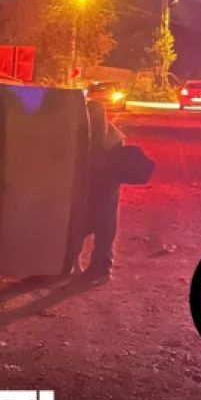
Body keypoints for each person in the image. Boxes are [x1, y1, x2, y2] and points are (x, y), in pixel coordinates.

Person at [79, 100, 153, 284]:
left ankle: (99, 267)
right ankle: (96, 266)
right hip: (101, 186)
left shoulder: (105, 135)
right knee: (100, 225)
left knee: (99, 225)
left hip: (104, 186)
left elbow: (98, 162)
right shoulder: (109, 132)